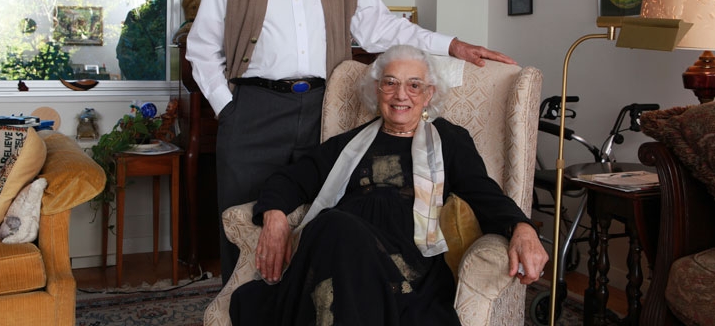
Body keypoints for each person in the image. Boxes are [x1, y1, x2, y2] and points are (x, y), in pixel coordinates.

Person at [184, 0, 516, 281]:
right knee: (245, 223)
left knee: (318, 218)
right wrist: (228, 108)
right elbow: (201, 47)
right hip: (253, 109)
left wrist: (454, 46)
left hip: (325, 107)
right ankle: (244, 308)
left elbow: (383, 28)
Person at [229, 45, 548, 325]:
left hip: (406, 263)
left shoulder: (448, 140)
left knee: (335, 227)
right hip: (336, 247)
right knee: (335, 227)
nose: (401, 94)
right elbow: (290, 178)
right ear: (377, 90)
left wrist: (520, 226)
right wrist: (274, 216)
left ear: (429, 94)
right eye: (390, 83)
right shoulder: (349, 143)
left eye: (414, 85)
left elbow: (482, 192)